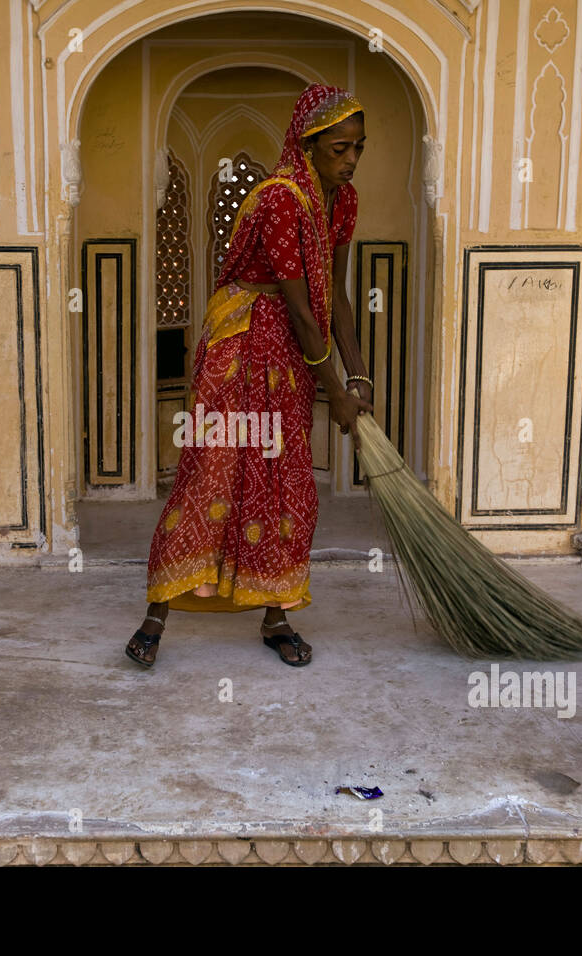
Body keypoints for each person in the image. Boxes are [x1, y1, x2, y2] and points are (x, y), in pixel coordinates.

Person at [126, 83, 374, 669]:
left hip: (287, 353)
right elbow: (296, 305)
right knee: (212, 471)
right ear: (308, 145)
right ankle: (156, 615)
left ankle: (276, 615)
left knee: (285, 482)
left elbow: (333, 294)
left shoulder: (343, 202)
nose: (350, 159)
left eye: (358, 147)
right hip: (240, 343)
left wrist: (360, 378)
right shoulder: (280, 201)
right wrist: (333, 390)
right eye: (339, 148)